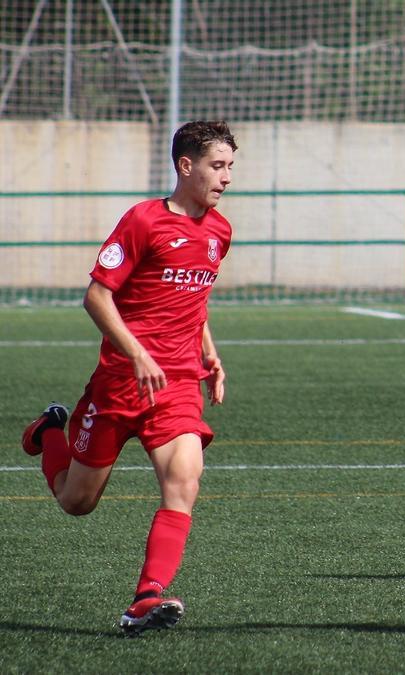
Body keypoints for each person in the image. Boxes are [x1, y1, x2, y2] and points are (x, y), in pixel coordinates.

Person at [20, 120, 237, 635]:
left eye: (231, 167)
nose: (227, 177)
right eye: (217, 165)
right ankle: (51, 429)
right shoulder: (142, 221)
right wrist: (137, 353)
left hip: (178, 382)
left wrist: (210, 356)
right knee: (77, 501)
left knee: (184, 480)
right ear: (186, 166)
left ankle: (146, 596)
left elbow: (194, 302)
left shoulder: (219, 232)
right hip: (121, 381)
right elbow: (96, 295)